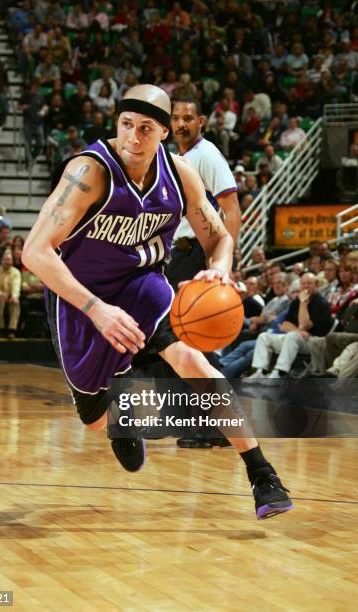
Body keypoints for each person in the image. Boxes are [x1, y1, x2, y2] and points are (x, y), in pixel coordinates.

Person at [22, 84, 293, 520]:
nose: (133, 136)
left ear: (164, 132)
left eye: (145, 128)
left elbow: (219, 236)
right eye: (126, 125)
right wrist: (96, 309)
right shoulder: (89, 172)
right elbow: (34, 251)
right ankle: (123, 421)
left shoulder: (180, 174)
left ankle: (263, 476)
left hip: (142, 284)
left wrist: (220, 268)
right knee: (93, 420)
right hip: (80, 297)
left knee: (195, 363)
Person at [167, 96, 241, 449]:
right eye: (176, 118)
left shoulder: (207, 154)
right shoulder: (175, 159)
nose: (182, 124)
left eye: (188, 118)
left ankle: (213, 427)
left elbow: (231, 208)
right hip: (179, 255)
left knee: (199, 340)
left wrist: (222, 264)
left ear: (202, 121)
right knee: (185, 340)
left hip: (200, 253)